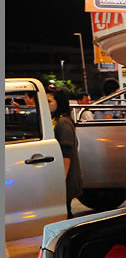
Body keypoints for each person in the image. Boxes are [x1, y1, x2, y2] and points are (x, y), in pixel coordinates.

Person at [47, 89, 83, 218]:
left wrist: (61, 180)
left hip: (66, 176)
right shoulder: (56, 120)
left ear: (59, 102)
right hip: (62, 175)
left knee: (65, 213)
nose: (46, 104)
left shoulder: (63, 122)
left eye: (49, 101)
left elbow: (66, 154)